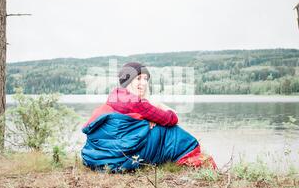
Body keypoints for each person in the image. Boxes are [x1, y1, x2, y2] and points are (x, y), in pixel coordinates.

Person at [81, 62, 216, 172]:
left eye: (146, 79)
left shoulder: (115, 96)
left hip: (100, 155)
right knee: (171, 131)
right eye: (138, 78)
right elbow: (172, 118)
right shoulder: (139, 104)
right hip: (120, 157)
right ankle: (190, 155)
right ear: (127, 81)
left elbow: (129, 119)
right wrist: (159, 105)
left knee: (156, 128)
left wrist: (145, 119)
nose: (144, 83)